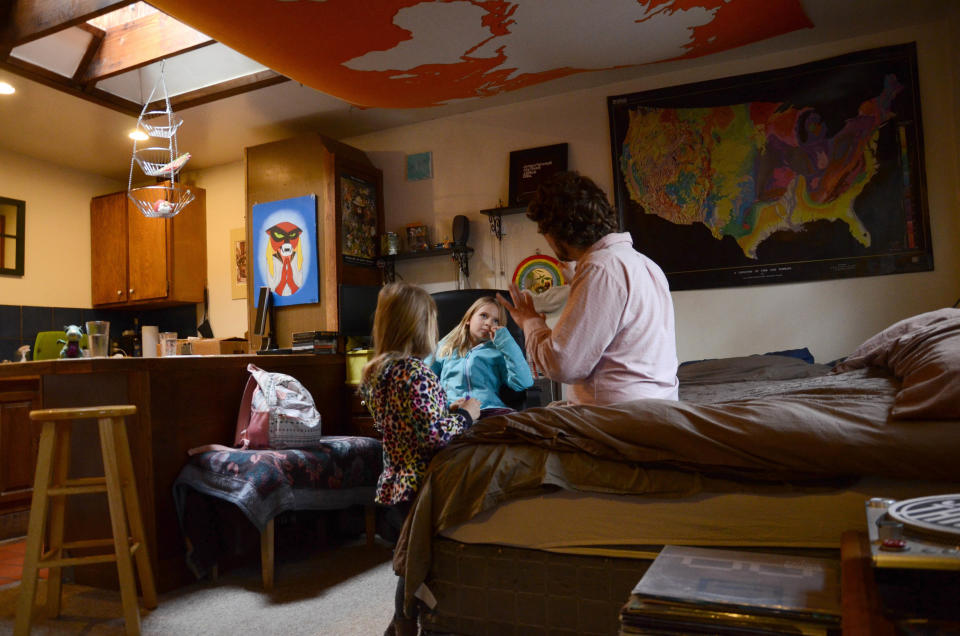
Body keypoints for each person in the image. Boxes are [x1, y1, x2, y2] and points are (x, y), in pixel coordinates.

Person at [358, 281, 479, 636]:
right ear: (419, 324)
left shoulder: (378, 372)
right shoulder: (414, 372)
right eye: (432, 320)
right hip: (420, 482)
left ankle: (403, 619)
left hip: (393, 479)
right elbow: (434, 435)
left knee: (409, 556)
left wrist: (445, 407)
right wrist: (466, 415)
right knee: (417, 560)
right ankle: (404, 623)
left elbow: (407, 420)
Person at [498, 170, 679, 405]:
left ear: (556, 231)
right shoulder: (643, 263)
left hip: (618, 418)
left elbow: (563, 365)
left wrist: (531, 321)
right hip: (656, 407)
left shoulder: (599, 268)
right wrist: (577, 283)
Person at [425, 296, 534, 417]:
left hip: (490, 411)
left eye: (496, 321)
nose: (488, 323)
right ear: (468, 319)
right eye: (484, 316)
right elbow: (425, 382)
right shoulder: (444, 347)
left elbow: (524, 382)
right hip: (454, 412)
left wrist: (506, 342)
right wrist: (446, 406)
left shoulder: (498, 351)